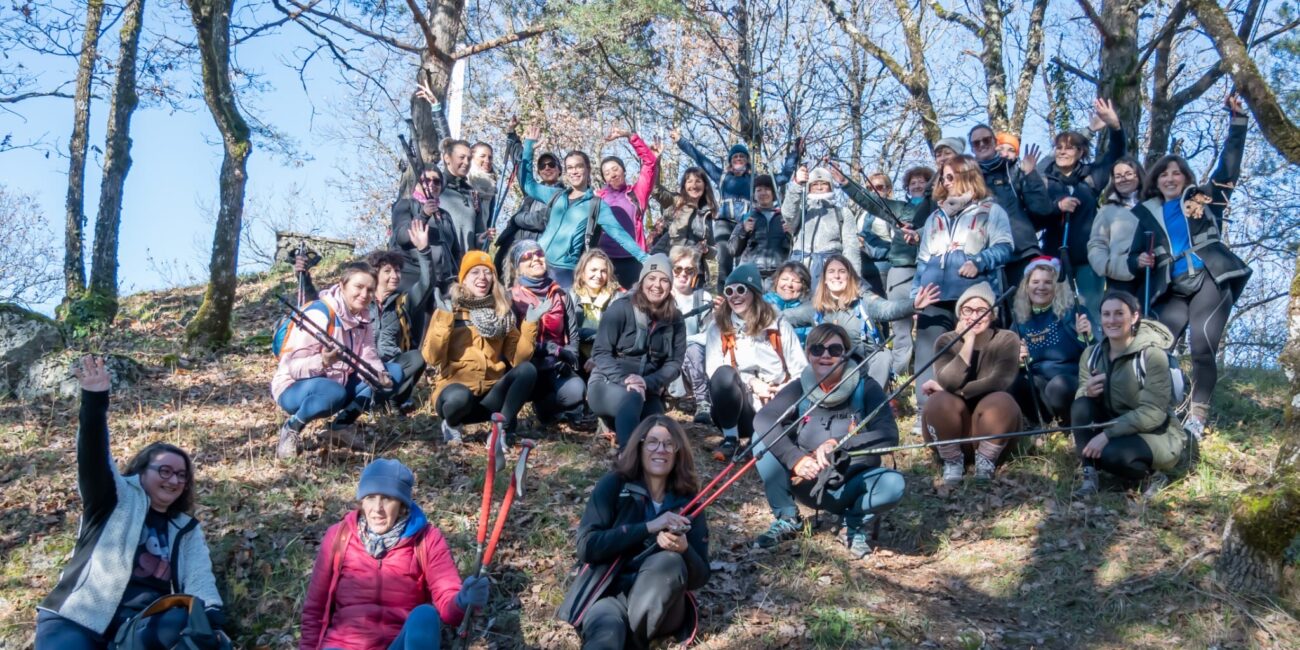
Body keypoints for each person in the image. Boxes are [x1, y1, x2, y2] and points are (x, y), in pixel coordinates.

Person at [36, 356, 227, 649]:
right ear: (140, 471)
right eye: (164, 471)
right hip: (78, 619)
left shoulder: (185, 528)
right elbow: (93, 456)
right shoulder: (113, 498)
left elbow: (199, 576)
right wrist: (94, 401)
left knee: (184, 619)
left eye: (181, 475)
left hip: (137, 628)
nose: (174, 481)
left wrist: (211, 617)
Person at [1131, 96, 1251, 438]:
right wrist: (1139, 260)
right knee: (1154, 348)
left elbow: (1229, 169)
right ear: (1155, 180)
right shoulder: (1144, 214)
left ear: (1186, 178)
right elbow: (1134, 256)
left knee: (1202, 347)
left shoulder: (1205, 198)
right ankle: (1158, 410)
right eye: (1164, 174)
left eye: (1177, 173)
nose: (1171, 178)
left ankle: (1197, 419)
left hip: (1210, 277)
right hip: (1171, 287)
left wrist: (1238, 122)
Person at [299, 459, 489, 650]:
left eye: (387, 498)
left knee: (425, 615)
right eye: (370, 497)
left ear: (402, 504)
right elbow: (315, 609)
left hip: (396, 644)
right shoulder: (339, 536)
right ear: (362, 501)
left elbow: (448, 603)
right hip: (342, 646)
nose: (377, 509)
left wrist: (463, 601)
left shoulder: (426, 539)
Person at [750, 324, 906, 557]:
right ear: (807, 353)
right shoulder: (798, 387)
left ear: (846, 354)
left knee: (894, 484)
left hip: (853, 483)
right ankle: (788, 518)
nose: (825, 355)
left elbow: (889, 434)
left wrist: (839, 443)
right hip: (806, 479)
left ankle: (852, 524)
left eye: (834, 350)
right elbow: (764, 419)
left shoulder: (868, 388)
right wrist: (796, 459)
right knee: (759, 441)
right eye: (817, 349)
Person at [566, 416, 710, 649]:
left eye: (668, 444)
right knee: (605, 638)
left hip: (662, 609)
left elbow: (701, 576)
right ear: (639, 447)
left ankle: (631, 641)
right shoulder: (613, 484)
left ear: (677, 452)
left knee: (669, 561)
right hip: (609, 595)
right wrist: (648, 527)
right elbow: (586, 546)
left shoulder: (688, 501)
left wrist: (684, 550)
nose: (660, 450)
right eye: (652, 442)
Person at [911, 155, 1013, 413]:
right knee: (929, 353)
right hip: (933, 296)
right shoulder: (934, 218)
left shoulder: (990, 211)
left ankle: (978, 405)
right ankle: (928, 409)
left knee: (976, 349)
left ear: (967, 175)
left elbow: (1005, 247)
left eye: (950, 176)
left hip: (972, 295)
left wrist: (980, 261)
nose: (945, 182)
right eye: (943, 177)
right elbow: (923, 261)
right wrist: (915, 296)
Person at [272, 262, 397, 459]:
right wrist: (323, 361)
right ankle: (292, 427)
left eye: (370, 290)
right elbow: (293, 367)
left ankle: (339, 428)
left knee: (392, 374)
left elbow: (369, 355)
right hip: (293, 388)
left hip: (337, 382)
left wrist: (380, 375)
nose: (364, 294)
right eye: (358, 287)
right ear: (342, 285)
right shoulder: (320, 314)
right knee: (333, 392)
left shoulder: (363, 319)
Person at [1072, 291, 1187, 497]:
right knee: (1081, 405)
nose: (1112, 320)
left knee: (1112, 456)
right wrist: (1087, 390)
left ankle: (1153, 475)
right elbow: (1080, 394)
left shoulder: (1153, 355)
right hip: (1114, 425)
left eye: (1119, 314)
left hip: (1154, 432)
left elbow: (1154, 413)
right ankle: (1089, 474)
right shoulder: (1091, 355)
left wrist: (1107, 435)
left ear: (1134, 317)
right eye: (1106, 315)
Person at [422, 251, 543, 445]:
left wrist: (530, 324)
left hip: (489, 396)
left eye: (487, 273)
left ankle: (499, 432)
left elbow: (519, 360)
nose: (482, 278)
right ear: (464, 279)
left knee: (527, 370)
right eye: (475, 272)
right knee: (459, 397)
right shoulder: (449, 309)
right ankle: (451, 425)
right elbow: (432, 357)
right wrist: (444, 319)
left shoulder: (502, 313)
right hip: (455, 395)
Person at [783, 254, 939, 390]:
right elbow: (786, 317)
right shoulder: (816, 307)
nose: (836, 276)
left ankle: (872, 402)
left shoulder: (864, 300)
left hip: (864, 366)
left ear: (850, 277)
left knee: (884, 356)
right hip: (829, 365)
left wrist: (913, 305)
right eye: (831, 272)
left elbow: (887, 309)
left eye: (842, 272)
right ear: (824, 279)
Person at [520, 126, 648, 290]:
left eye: (578, 166)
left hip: (564, 273)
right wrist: (528, 148)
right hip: (536, 265)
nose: (574, 171)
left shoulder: (597, 206)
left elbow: (621, 236)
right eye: (570, 168)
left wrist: (646, 259)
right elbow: (527, 184)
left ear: (587, 169)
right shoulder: (557, 196)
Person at [833, 164, 932, 376]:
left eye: (921, 182)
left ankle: (928, 369)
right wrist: (846, 184)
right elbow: (872, 202)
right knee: (899, 324)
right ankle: (898, 372)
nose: (916, 185)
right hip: (901, 268)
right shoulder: (900, 208)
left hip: (927, 268)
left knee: (928, 321)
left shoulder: (937, 208)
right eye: (912, 182)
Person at [919, 283, 1023, 485]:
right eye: (967, 310)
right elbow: (947, 381)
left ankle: (986, 462)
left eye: (981, 310)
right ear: (959, 314)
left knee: (1002, 400)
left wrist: (956, 391)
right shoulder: (945, 341)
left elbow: (1000, 381)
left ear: (992, 315)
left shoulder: (1007, 339)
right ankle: (952, 462)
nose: (974, 315)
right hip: (953, 430)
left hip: (993, 431)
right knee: (938, 401)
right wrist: (968, 343)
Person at [671, 127, 800, 284]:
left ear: (747, 161)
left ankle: (740, 294)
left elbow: (783, 177)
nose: (739, 159)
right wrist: (680, 141)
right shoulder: (722, 177)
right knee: (724, 262)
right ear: (730, 162)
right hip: (725, 223)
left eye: (742, 157)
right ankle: (722, 298)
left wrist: (794, 154)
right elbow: (701, 159)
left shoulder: (755, 180)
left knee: (742, 265)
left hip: (746, 225)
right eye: (735, 157)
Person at [704, 263, 807, 461]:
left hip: (776, 404)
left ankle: (758, 442)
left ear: (755, 293)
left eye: (741, 289)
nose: (735, 296)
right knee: (724, 375)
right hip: (739, 407)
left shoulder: (778, 324)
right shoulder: (718, 327)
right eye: (729, 291)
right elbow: (714, 371)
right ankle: (730, 439)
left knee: (796, 388)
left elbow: (801, 371)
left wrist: (782, 389)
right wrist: (751, 383)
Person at [1040, 98, 1126, 325]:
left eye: (1069, 148)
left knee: (1091, 313)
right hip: (1054, 256)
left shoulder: (1091, 177)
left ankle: (1093, 357)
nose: (1062, 152)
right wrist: (1056, 207)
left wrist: (1115, 127)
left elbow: (1115, 154)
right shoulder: (1044, 180)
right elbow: (1034, 214)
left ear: (1080, 152)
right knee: (1057, 313)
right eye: (1058, 147)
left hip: (1087, 257)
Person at [587, 255, 686, 448]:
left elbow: (674, 364)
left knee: (661, 428)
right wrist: (626, 381)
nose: (657, 285)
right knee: (630, 399)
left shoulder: (675, 319)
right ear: (642, 281)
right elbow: (601, 352)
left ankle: (620, 428)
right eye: (651, 278)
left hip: (647, 390)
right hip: (607, 384)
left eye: (664, 280)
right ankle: (627, 457)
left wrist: (646, 382)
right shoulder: (620, 308)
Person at [505, 240, 586, 425]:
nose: (535, 259)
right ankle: (509, 420)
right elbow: (513, 343)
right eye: (527, 256)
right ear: (518, 267)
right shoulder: (511, 297)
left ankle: (545, 409)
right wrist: (553, 349)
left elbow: (572, 334)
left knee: (576, 391)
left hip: (555, 365)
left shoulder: (561, 294)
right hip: (526, 365)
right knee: (523, 373)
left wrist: (570, 357)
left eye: (539, 254)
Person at [966, 123, 1054, 288]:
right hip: (985, 256)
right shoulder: (967, 178)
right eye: (976, 143)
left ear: (994, 142)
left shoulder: (1013, 170)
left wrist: (1030, 174)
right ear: (972, 148)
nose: (982, 145)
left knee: (1027, 309)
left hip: (1022, 251)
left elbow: (1042, 209)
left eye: (986, 140)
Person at [1010, 257, 1092, 426]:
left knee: (1057, 386)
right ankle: (1039, 426)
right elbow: (1010, 359)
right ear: (1026, 286)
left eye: (1048, 282)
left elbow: (1093, 352)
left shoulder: (1073, 312)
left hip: (1068, 379)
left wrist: (1086, 335)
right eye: (1035, 282)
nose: (1041, 287)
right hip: (1038, 381)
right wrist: (1018, 359)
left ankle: (1068, 425)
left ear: (1057, 286)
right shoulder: (1019, 320)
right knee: (1017, 383)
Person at [366, 224, 435, 413]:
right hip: (364, 366)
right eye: (387, 271)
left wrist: (424, 250)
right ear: (375, 274)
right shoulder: (361, 301)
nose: (394, 275)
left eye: (397, 271)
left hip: (393, 365)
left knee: (417, 357)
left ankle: (395, 401)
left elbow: (427, 283)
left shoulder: (404, 301)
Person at [596, 127, 658, 288]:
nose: (612, 174)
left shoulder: (637, 193)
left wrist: (630, 136)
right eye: (607, 172)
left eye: (615, 169)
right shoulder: (598, 197)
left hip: (633, 259)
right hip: (604, 261)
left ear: (623, 170)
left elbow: (650, 162)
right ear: (604, 178)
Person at [390, 167, 461, 305]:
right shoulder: (405, 205)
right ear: (417, 184)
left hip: (442, 284)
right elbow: (402, 236)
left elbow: (454, 251)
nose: (432, 184)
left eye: (437, 181)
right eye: (426, 180)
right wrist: (424, 215)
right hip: (412, 279)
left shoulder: (445, 215)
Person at [782, 166, 860, 282]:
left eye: (823, 183)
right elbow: (788, 214)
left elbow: (851, 246)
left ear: (830, 186)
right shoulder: (802, 211)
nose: (819, 187)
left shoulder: (843, 213)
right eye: (814, 184)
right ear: (809, 187)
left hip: (830, 271)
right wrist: (797, 185)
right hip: (800, 267)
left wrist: (854, 277)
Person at [667, 246, 715, 424]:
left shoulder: (704, 297)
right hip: (664, 357)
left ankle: (703, 402)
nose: (683, 274)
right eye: (677, 269)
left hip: (693, 358)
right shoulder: (659, 296)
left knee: (694, 349)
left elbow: (708, 336)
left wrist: (683, 342)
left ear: (696, 272)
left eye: (689, 270)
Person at [495, 145, 562, 271]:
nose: (547, 167)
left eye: (551, 164)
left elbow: (541, 220)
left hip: (536, 255)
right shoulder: (531, 192)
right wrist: (515, 139)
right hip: (512, 250)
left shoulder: (563, 196)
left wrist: (517, 218)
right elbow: (521, 166)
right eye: (542, 166)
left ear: (559, 170)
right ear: (538, 172)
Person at [1087, 156, 1146, 297]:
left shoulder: (1155, 204)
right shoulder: (1107, 209)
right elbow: (1097, 243)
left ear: (1139, 175)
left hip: (1153, 274)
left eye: (1128, 174)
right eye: (1118, 176)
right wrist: (1106, 266)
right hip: (1120, 275)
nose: (1123, 179)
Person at [649, 167, 717, 281]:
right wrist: (655, 160)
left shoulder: (707, 214)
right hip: (668, 264)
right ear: (684, 186)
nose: (694, 185)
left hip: (693, 270)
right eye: (689, 181)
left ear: (705, 186)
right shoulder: (676, 201)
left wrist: (706, 249)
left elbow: (713, 251)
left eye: (698, 181)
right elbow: (655, 189)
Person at [571, 248, 625, 375]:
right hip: (576, 360)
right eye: (593, 270)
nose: (599, 276)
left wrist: (599, 356)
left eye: (603, 271)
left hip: (608, 360)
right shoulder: (570, 296)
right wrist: (601, 336)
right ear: (582, 272)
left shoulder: (618, 298)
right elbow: (570, 333)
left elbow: (621, 337)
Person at [727, 174, 791, 280]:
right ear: (754, 195)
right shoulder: (747, 218)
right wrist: (744, 230)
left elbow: (792, 248)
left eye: (767, 189)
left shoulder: (783, 218)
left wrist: (790, 235)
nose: (763, 193)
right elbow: (732, 250)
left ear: (773, 193)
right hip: (751, 273)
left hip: (778, 274)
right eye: (759, 190)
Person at [438, 138, 493, 257]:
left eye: (469, 158)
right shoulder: (436, 188)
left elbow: (477, 232)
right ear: (447, 158)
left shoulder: (472, 193)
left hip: (466, 265)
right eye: (461, 157)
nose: (466, 162)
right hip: (441, 263)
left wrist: (481, 239)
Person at [764, 262, 814, 345]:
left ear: (804, 286)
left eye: (796, 281)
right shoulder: (762, 304)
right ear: (776, 281)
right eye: (784, 279)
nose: (789, 284)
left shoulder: (810, 309)